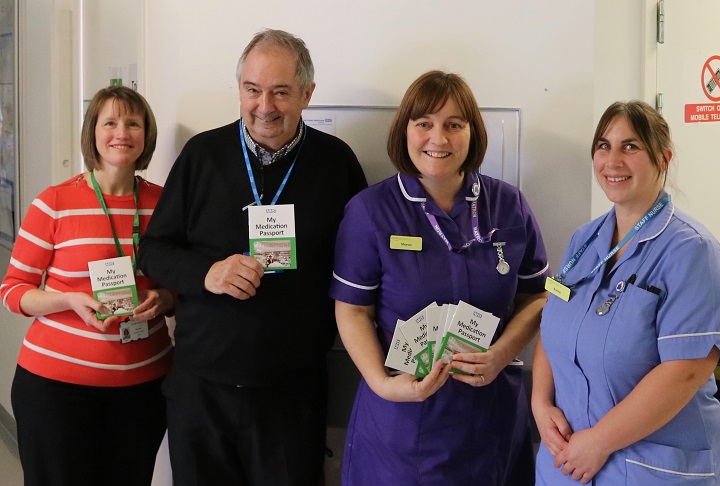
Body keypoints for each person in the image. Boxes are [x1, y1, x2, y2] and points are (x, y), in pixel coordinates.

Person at [137, 29, 367, 485]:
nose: (265, 106)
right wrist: (208, 273)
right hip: (202, 390)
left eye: (281, 92)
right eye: (252, 90)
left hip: (291, 395)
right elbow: (154, 252)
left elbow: (360, 269)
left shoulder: (337, 164)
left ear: (307, 94)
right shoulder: (202, 155)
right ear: (239, 89)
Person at [329, 70, 550, 485]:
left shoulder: (508, 204)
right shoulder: (370, 211)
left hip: (491, 416)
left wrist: (501, 353)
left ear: (473, 133)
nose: (439, 138)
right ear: (404, 131)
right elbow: (353, 311)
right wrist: (384, 384)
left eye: (454, 125)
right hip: (400, 417)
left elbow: (538, 298)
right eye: (424, 123)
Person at [533, 100, 720, 485]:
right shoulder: (583, 241)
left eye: (631, 146)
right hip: (567, 464)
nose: (613, 160)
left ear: (663, 158)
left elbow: (687, 371)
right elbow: (551, 324)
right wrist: (540, 404)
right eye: (604, 146)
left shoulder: (692, 251)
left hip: (650, 469)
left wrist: (600, 442)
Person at [1, 85, 174, 485]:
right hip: (55, 391)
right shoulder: (55, 202)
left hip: (143, 389)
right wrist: (68, 300)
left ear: (146, 134)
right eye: (109, 122)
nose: (122, 132)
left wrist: (163, 298)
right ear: (92, 133)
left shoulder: (165, 204)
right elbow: (12, 290)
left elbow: (180, 285)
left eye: (133, 123)